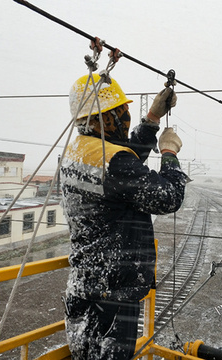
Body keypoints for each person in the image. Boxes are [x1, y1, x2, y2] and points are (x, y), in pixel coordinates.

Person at [61, 73, 187, 360]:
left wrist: (153, 118)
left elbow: (123, 163)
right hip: (114, 294)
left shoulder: (78, 151)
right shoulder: (114, 162)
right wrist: (169, 153)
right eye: (121, 114)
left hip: (84, 286)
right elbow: (168, 197)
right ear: (103, 120)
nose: (126, 119)